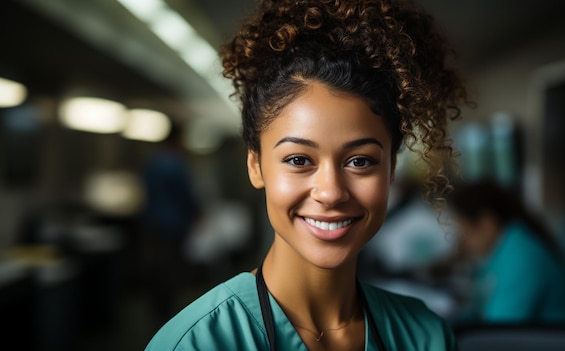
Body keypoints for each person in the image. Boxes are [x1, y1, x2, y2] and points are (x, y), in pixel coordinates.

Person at [146, 0, 468, 349]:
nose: (330, 193)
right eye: (299, 160)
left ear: (390, 168)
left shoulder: (426, 337)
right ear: (255, 165)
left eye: (360, 161)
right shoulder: (195, 343)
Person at [446, 180, 565, 325]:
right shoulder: (508, 247)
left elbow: (497, 332)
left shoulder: (521, 257)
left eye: (465, 231)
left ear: (487, 223)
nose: (463, 242)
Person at [140, 123, 202, 326]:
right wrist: (197, 214)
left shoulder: (154, 163)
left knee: (158, 265)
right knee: (172, 268)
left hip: (154, 223)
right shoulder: (176, 165)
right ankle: (169, 311)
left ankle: (157, 309)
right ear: (177, 139)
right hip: (174, 225)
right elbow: (186, 196)